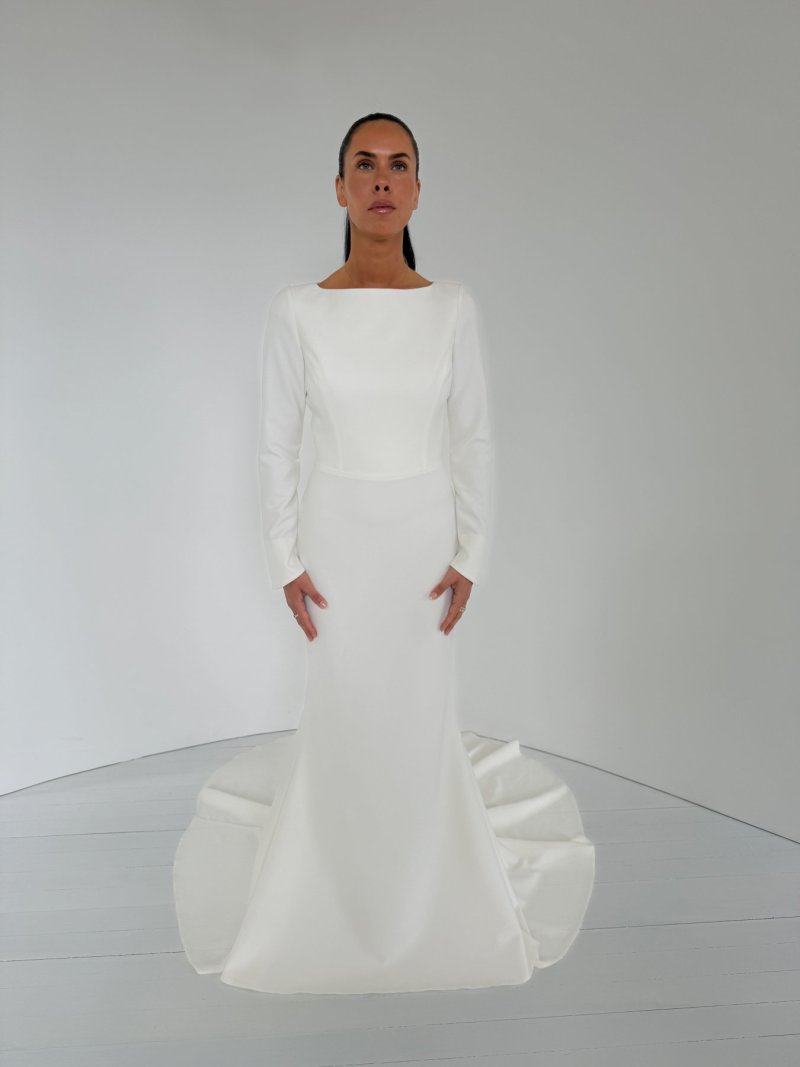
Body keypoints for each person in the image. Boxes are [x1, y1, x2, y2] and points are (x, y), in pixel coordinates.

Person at [172, 113, 595, 995]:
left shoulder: (451, 306)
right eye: (364, 164)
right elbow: (276, 443)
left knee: (418, 711)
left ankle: (428, 885)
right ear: (339, 188)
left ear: (416, 190)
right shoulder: (298, 309)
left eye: (398, 165)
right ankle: (328, 885)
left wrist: (472, 551)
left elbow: (474, 436)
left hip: (421, 541)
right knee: (342, 706)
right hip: (337, 540)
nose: (380, 180)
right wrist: (284, 557)